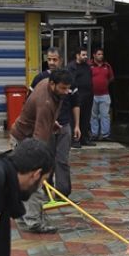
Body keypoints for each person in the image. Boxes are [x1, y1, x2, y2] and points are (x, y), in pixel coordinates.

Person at [10, 70, 71, 232]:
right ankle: (34, 222)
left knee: (25, 180)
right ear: (53, 84)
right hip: (25, 139)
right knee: (34, 180)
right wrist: (42, 165)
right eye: (63, 88)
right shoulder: (46, 103)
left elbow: (42, 119)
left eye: (68, 88)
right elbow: (39, 140)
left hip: (26, 134)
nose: (66, 92)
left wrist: (52, 123)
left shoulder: (46, 84)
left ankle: (23, 216)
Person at [54, 70, 81, 198]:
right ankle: (45, 192)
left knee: (62, 159)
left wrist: (76, 125)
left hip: (64, 125)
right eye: (49, 59)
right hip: (47, 126)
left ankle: (62, 193)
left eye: (55, 59)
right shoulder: (43, 82)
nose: (52, 62)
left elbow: (76, 104)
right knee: (45, 159)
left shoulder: (71, 83)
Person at [66, 47, 95, 147]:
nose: (85, 57)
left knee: (86, 118)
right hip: (77, 96)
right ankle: (75, 140)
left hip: (88, 96)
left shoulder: (87, 67)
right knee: (75, 119)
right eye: (83, 55)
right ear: (77, 55)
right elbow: (70, 81)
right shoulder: (71, 67)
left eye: (86, 55)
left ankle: (84, 138)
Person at [89, 48, 114, 140]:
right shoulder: (89, 65)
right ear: (94, 55)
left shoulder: (107, 66)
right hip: (93, 95)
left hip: (104, 94)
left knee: (105, 115)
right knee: (93, 115)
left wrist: (104, 83)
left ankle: (105, 135)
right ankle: (94, 134)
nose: (101, 56)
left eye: (102, 54)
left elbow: (111, 78)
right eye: (99, 54)